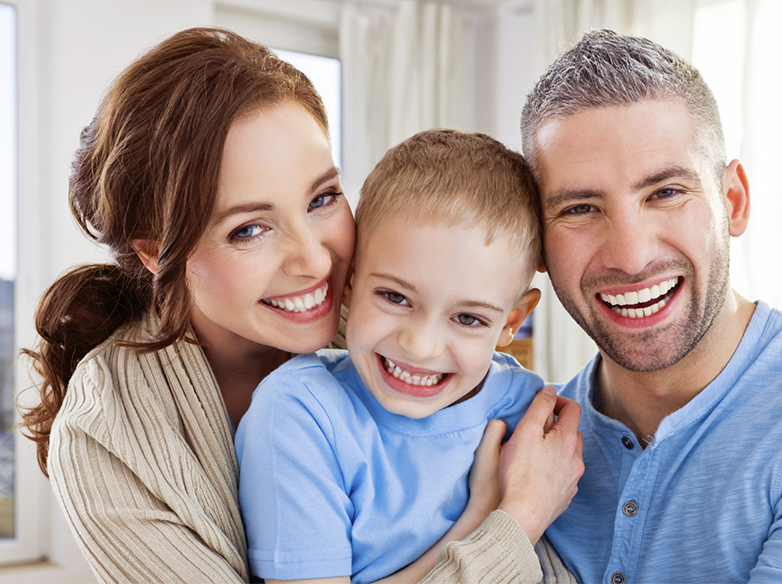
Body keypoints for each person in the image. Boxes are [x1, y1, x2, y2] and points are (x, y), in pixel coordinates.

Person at [20, 28, 581, 583]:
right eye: (250, 229)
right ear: (155, 253)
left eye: (322, 198)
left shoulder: (392, 328)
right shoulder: (107, 436)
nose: (315, 260)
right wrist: (502, 521)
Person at [524, 30, 782, 583]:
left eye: (665, 193)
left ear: (733, 203)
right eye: (581, 208)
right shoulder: (517, 441)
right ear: (537, 241)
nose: (630, 257)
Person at [235, 129, 578, 583]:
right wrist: (487, 518)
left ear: (511, 323)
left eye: (468, 319)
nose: (421, 347)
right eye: (395, 297)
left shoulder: (532, 413)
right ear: (350, 283)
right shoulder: (301, 412)